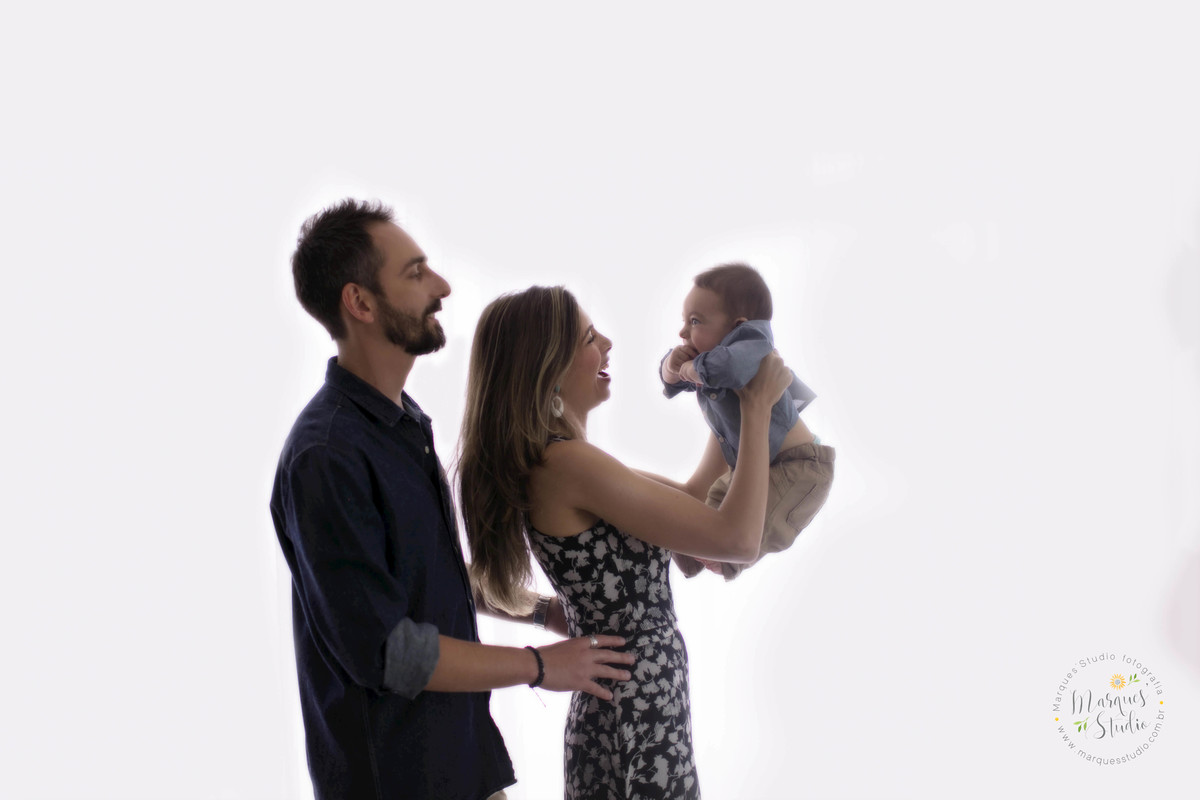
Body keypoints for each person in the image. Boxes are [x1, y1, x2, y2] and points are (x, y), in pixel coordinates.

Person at [269, 200, 634, 800]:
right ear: (359, 303)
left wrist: (540, 612)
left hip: (461, 766)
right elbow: (392, 653)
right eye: (415, 274)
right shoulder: (327, 456)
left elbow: (421, 575)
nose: (441, 286)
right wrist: (541, 665)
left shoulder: (401, 424)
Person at [458, 286, 792, 799]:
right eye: (590, 337)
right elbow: (738, 539)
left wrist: (721, 388)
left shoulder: (560, 462)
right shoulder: (569, 465)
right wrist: (757, 408)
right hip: (641, 704)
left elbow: (691, 497)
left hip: (624, 702)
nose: (608, 344)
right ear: (547, 368)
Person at [660, 263, 835, 580]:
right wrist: (671, 369)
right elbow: (678, 382)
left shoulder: (752, 342)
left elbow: (728, 369)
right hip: (752, 466)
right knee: (708, 510)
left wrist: (690, 370)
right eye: (684, 321)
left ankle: (726, 560)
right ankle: (691, 557)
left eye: (695, 321)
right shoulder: (714, 359)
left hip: (798, 469)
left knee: (754, 525)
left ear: (737, 326)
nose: (683, 332)